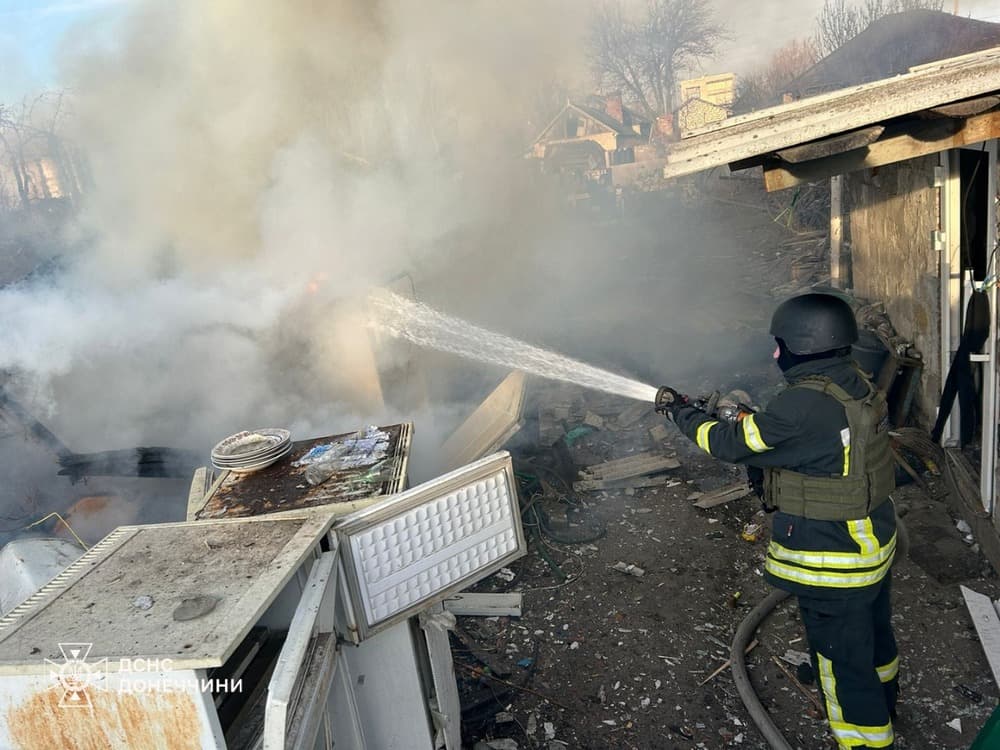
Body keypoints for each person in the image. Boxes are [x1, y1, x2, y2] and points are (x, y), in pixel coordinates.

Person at [656, 292, 898, 750]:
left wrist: (681, 413)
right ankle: (886, 694)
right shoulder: (853, 381)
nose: (774, 353)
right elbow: (806, 439)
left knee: (840, 658)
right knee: (872, 633)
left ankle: (865, 738)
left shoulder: (800, 406)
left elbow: (728, 444)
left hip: (835, 559)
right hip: (870, 541)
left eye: (779, 344)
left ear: (802, 346)